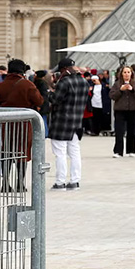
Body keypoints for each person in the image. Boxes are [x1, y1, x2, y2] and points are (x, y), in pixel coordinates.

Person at [0, 59, 44, 192]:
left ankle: (5, 183)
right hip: (24, 124)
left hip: (6, 124)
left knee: (6, 152)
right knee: (22, 153)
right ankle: (20, 183)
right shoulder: (27, 85)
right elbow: (39, 100)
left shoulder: (0, 86)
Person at [48, 58, 88, 190]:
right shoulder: (83, 81)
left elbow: (55, 100)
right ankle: (75, 181)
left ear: (64, 69)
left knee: (60, 153)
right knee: (75, 153)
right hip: (77, 122)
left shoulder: (64, 82)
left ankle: (60, 182)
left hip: (61, 122)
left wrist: (49, 92)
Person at [110, 65, 135, 157]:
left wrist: (132, 90)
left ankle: (131, 150)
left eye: (128, 72)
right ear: (121, 74)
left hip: (133, 110)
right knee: (119, 131)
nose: (126, 74)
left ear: (131, 74)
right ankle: (118, 151)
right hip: (120, 110)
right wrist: (120, 90)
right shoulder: (117, 84)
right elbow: (112, 96)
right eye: (124, 72)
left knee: (131, 131)